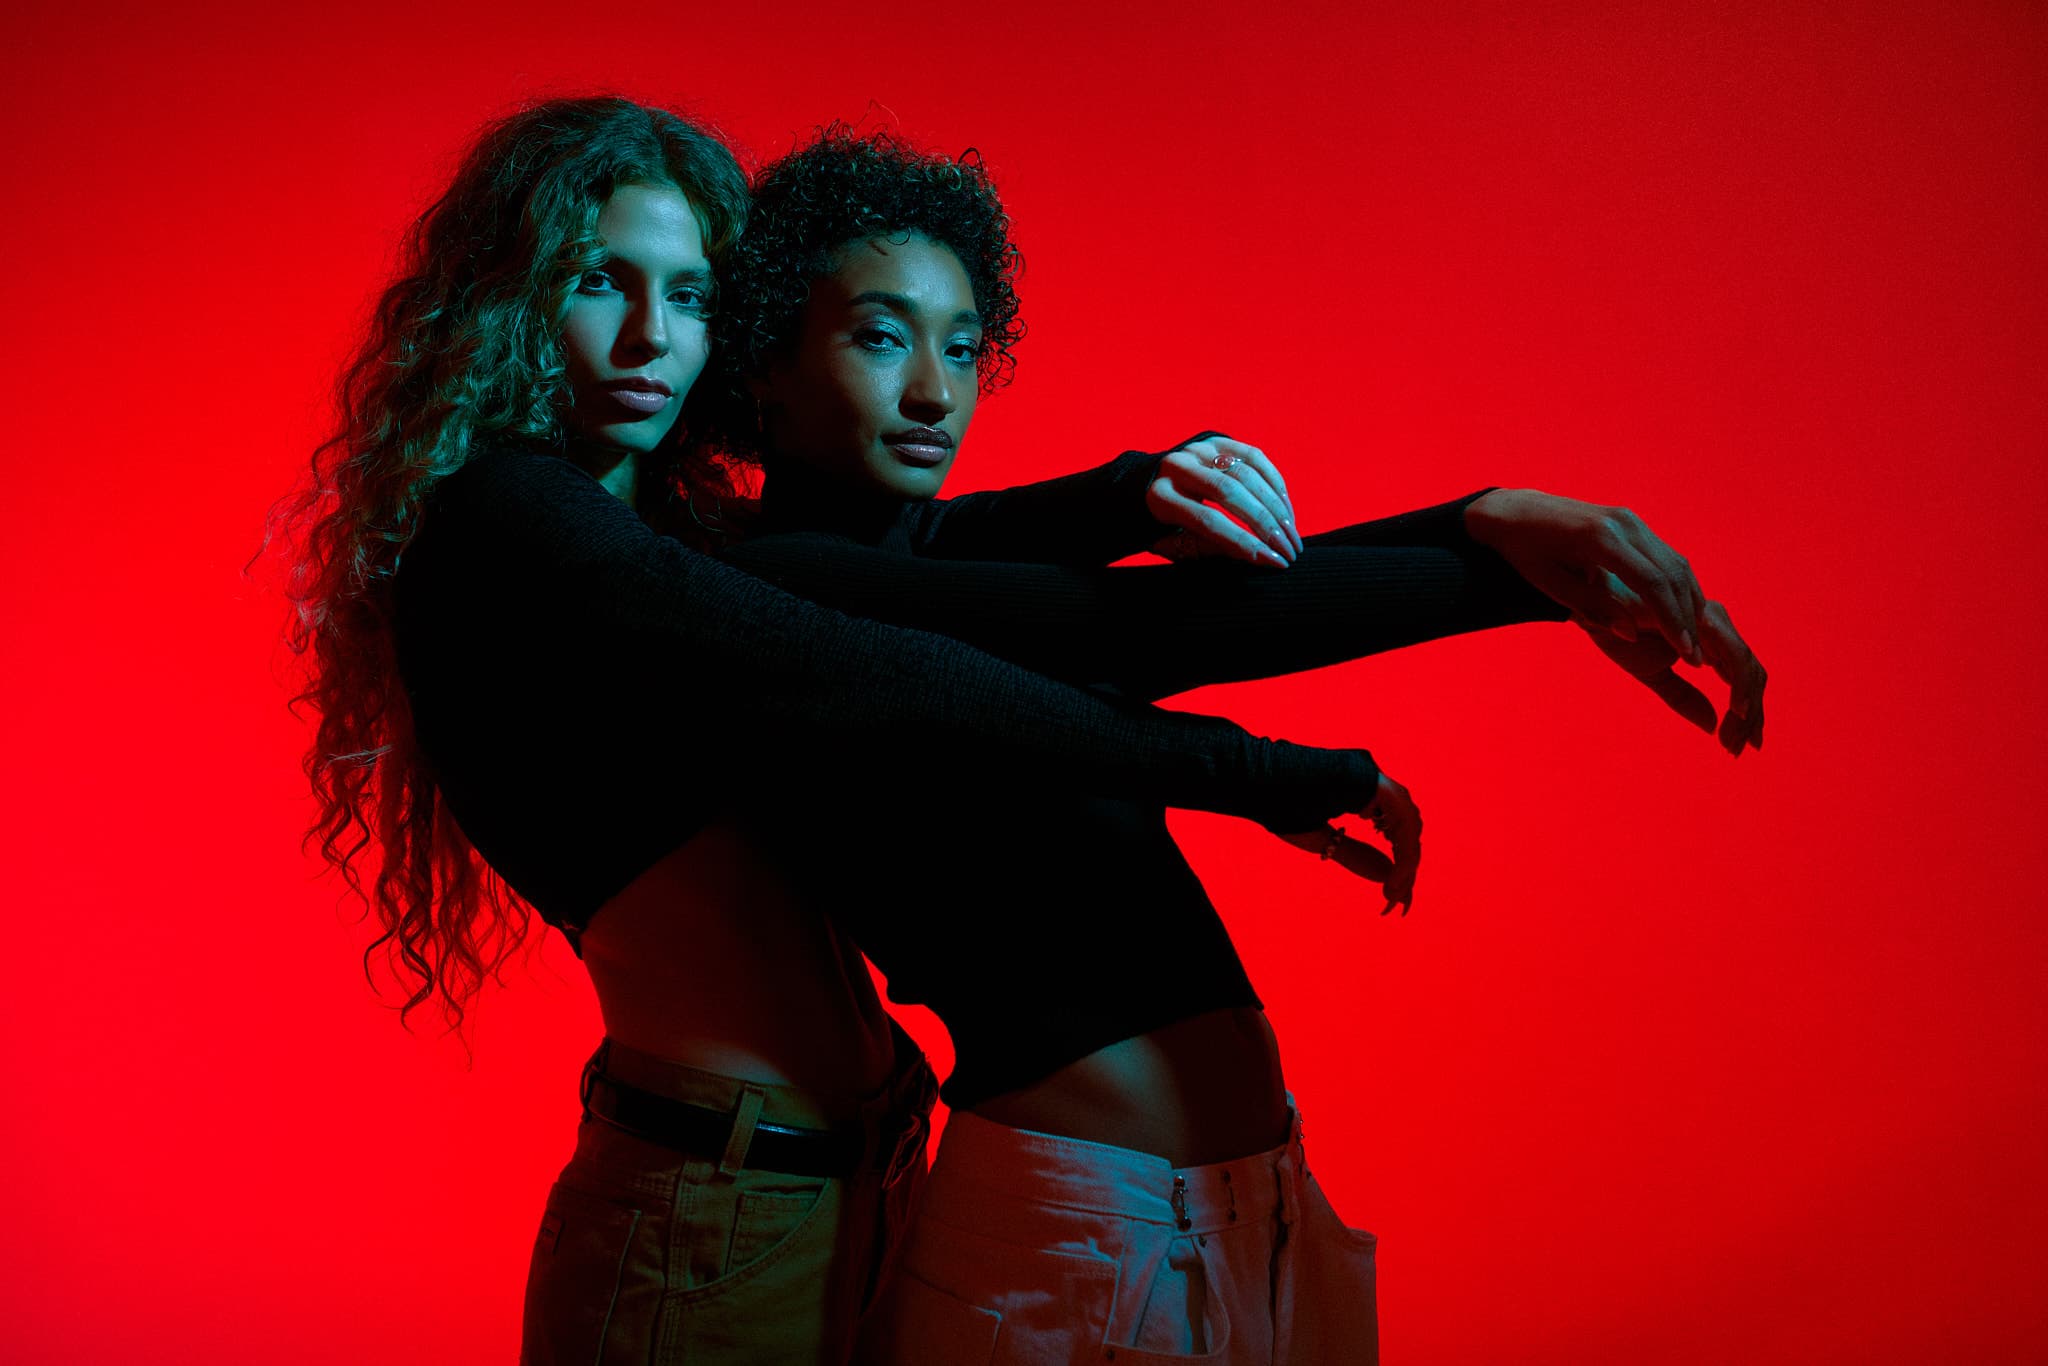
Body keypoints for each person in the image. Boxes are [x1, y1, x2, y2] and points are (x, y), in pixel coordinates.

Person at [278, 96, 1447, 1365]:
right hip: (703, 1201)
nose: (648, 340)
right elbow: (882, 668)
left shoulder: (673, 537)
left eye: (689, 298)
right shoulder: (513, 518)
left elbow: (948, 555)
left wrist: (1132, 487)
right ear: (507, 298)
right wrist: (1244, 769)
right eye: (595, 282)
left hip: (847, 1175)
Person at [695, 127, 1768, 1363]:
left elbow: (1187, 578)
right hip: (1066, 1249)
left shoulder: (929, 549)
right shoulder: (771, 588)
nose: (936, 392)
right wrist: (1509, 563)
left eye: (959, 343)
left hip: (1253, 1220)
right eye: (881, 337)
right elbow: (1140, 630)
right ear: (764, 363)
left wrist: (1485, 527)